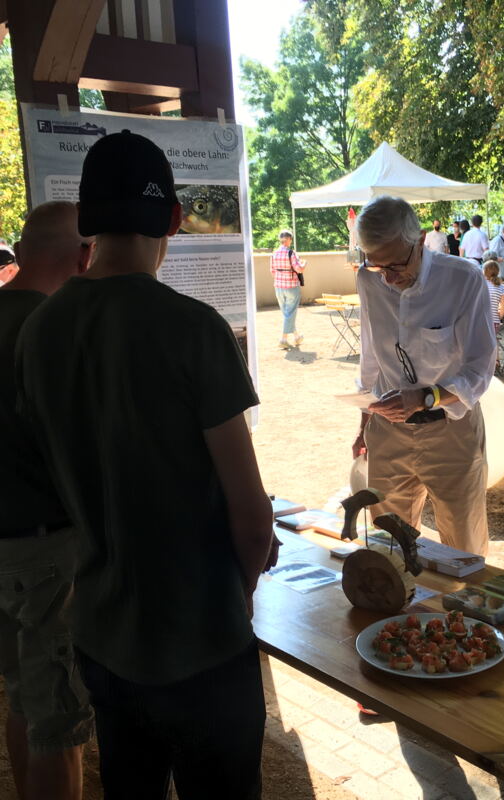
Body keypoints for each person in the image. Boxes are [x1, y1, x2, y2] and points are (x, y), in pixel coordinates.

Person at [16, 131, 279, 799]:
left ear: (86, 220)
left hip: (102, 633)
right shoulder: (194, 328)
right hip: (201, 640)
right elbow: (253, 519)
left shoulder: (39, 330)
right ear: (174, 219)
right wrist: (240, 595)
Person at [1, 202, 94, 800]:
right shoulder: (52, 331)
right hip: (45, 552)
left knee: (23, 697)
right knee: (60, 723)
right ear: (84, 257)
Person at [352, 196, 496, 556]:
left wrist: (425, 397)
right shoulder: (369, 280)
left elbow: (479, 370)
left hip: (451, 430)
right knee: (389, 548)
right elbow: (371, 357)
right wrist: (364, 423)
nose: (388, 277)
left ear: (419, 242)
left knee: (463, 549)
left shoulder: (463, 279)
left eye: (395, 265)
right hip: (388, 431)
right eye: (376, 265)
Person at [271, 229, 306, 349]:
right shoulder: (291, 253)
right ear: (289, 239)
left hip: (278, 287)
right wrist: (304, 264)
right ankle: (283, 339)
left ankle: (297, 337)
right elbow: (299, 269)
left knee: (287, 314)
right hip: (291, 287)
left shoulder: (274, 254)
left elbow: (272, 272)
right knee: (290, 313)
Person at [483, 259, 504, 333]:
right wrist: (498, 317)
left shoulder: (480, 284)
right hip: (494, 321)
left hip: (480, 320)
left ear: (484, 271)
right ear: (498, 272)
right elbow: (503, 309)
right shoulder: (502, 287)